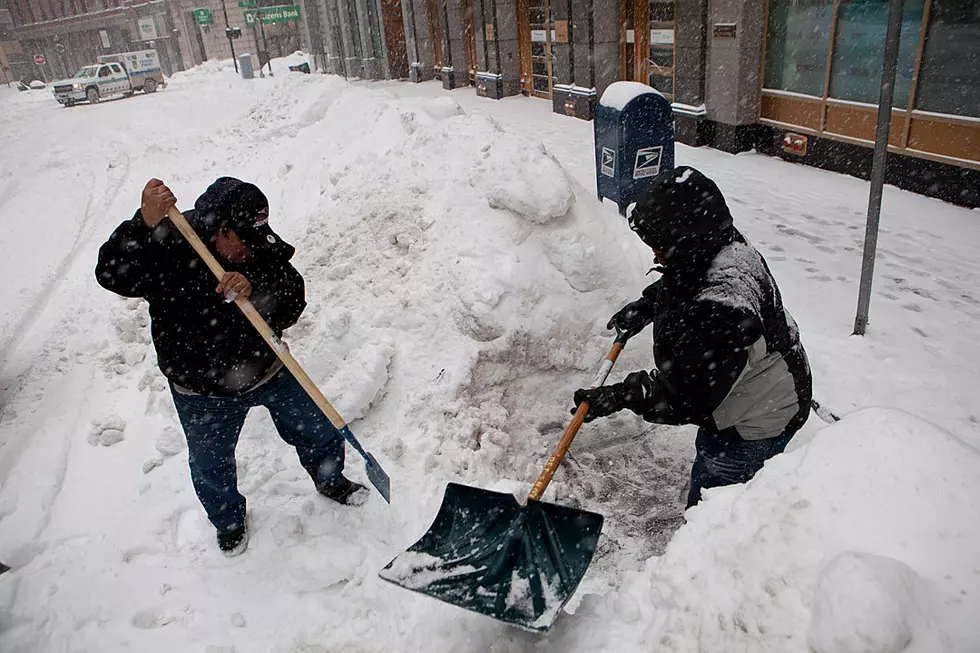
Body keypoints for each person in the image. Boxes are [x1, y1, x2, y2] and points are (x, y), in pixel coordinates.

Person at [96, 177, 367, 556]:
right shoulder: (169, 242)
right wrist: (141, 224)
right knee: (211, 465)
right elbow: (111, 274)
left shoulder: (255, 250)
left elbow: (293, 297)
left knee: (317, 430)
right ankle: (228, 521)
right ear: (220, 230)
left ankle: (330, 479)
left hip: (270, 370)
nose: (252, 250)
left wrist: (255, 286)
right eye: (244, 242)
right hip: (202, 392)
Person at [572, 166, 812, 508]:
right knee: (716, 467)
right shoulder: (713, 244)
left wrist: (623, 395)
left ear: (685, 240)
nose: (655, 253)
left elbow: (687, 397)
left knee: (716, 504)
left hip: (761, 414)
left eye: (660, 244)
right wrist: (646, 305)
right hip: (751, 386)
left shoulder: (725, 307)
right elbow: (685, 280)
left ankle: (709, 555)